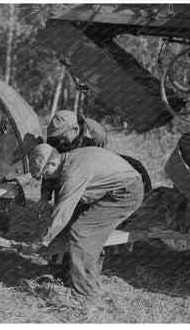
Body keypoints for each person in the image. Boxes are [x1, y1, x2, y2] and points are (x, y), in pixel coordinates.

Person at [24, 143, 144, 310]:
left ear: (52, 163)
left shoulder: (73, 174)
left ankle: (84, 298)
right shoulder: (71, 158)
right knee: (88, 233)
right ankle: (87, 281)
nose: (47, 178)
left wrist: (41, 242)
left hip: (124, 194)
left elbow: (62, 213)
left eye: (45, 173)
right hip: (115, 189)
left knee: (82, 233)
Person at [39, 110, 108, 212]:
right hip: (63, 178)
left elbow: (99, 169)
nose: (60, 142)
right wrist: (45, 196)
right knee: (60, 213)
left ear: (74, 129)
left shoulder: (97, 136)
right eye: (57, 138)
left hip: (86, 180)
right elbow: (50, 167)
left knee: (79, 217)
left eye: (63, 137)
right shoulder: (55, 135)